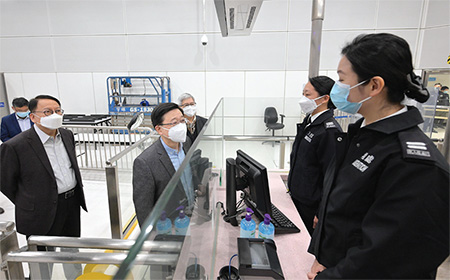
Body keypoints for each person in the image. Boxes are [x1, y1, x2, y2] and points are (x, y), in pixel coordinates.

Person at [307, 33, 449, 279]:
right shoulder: (361, 135)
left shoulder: (413, 161)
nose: (336, 88)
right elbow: (348, 211)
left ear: (374, 86)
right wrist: (323, 256)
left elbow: (389, 254)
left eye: (341, 80)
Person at [0, 95, 87, 279]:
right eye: (47, 112)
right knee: (42, 260)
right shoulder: (16, 146)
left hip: (70, 204)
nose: (54, 115)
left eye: (57, 111)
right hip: (39, 211)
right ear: (33, 117)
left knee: (71, 251)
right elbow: (5, 181)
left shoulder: (66, 135)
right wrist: (29, 200)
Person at [288, 76, 342, 237]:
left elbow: (331, 176)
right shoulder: (309, 121)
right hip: (298, 197)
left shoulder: (329, 131)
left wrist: (321, 211)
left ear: (325, 98)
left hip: (311, 206)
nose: (303, 99)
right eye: (303, 94)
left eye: (308, 95)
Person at [133, 102, 194, 227]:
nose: (181, 126)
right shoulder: (145, 162)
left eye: (182, 121)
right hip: (169, 225)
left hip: (191, 215)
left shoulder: (186, 143)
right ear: (159, 129)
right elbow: (143, 208)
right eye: (174, 123)